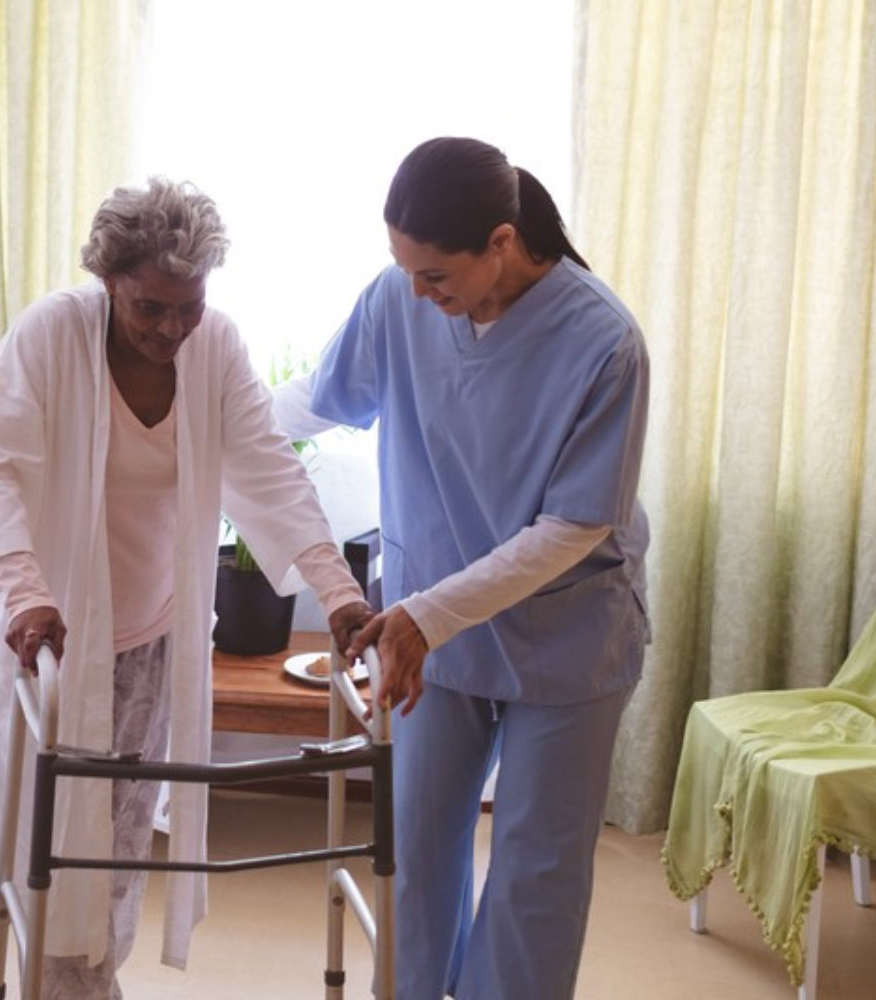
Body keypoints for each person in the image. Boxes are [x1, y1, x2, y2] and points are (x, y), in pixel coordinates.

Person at [0, 177, 373, 1000]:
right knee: (55, 832)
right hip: (54, 626)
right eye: (151, 308)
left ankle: (88, 979)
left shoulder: (214, 347)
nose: (172, 328)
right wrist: (25, 590)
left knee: (120, 830)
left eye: (189, 306)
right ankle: (64, 983)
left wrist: (341, 590)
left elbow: (268, 473)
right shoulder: (51, 335)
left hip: (153, 628)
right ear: (109, 281)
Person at [282, 137, 651, 1000]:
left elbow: (573, 525)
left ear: (501, 242)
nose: (417, 293)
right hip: (430, 633)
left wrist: (427, 615)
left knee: (534, 872)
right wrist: (211, 415)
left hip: (564, 634)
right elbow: (313, 400)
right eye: (404, 269)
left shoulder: (605, 344)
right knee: (416, 845)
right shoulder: (398, 300)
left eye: (436, 276)